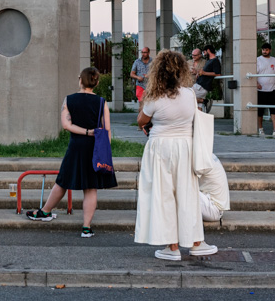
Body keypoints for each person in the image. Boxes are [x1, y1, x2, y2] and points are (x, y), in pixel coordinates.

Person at [135, 50, 217, 261]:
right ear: (181, 70)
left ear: (158, 71)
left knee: (163, 195)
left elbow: (141, 121)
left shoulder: (154, 96)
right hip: (185, 146)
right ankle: (196, 243)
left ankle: (172, 247)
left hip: (160, 147)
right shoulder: (190, 94)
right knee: (187, 194)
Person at [26, 67, 118, 238]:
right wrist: (105, 148)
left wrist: (85, 132)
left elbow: (66, 125)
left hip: (76, 146)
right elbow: (107, 130)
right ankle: (86, 227)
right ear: (96, 82)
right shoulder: (101, 102)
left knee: (63, 181)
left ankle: (45, 212)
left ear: (80, 80)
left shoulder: (69, 100)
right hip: (94, 148)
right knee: (91, 188)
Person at [256, 42, 275, 136]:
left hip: (273, 89)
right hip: (261, 90)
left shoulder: (274, 61)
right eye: (263, 49)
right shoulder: (258, 60)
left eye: (266, 50)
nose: (264, 51)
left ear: (270, 50)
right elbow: (253, 74)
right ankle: (260, 129)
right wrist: (256, 83)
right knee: (260, 111)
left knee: (274, 110)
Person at [198, 154, 230, 222]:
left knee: (183, 191)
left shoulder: (201, 160)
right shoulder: (209, 155)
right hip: (216, 207)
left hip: (213, 209)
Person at [193, 45, 221, 113]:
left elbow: (218, 74)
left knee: (187, 97)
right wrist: (199, 72)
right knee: (198, 106)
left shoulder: (215, 61)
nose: (204, 54)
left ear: (208, 50)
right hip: (200, 84)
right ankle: (200, 121)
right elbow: (204, 71)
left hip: (202, 86)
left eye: (204, 52)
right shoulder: (209, 61)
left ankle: (204, 101)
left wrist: (204, 73)